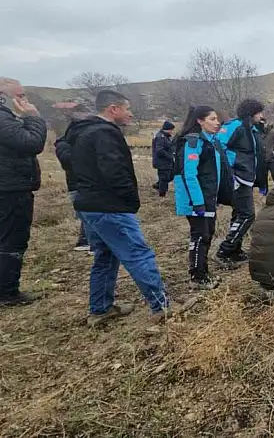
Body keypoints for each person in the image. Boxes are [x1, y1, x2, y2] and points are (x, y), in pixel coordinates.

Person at [66, 90, 194, 327]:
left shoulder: (81, 131)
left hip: (89, 204)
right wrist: (129, 201)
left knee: (105, 256)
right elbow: (115, 173)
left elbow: (66, 159)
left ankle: (100, 309)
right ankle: (162, 306)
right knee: (138, 254)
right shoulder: (104, 134)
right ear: (113, 109)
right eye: (127, 108)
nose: (130, 113)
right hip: (109, 206)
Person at [173, 106, 234, 290]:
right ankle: (197, 276)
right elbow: (189, 175)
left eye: (217, 119)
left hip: (208, 198)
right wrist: (198, 202)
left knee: (207, 234)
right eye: (212, 119)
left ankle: (203, 272)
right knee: (200, 235)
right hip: (196, 200)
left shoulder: (211, 141)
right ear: (200, 121)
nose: (217, 123)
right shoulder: (193, 142)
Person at [0, 78, 47, 307]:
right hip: (9, 190)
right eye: (19, 96)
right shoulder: (2, 119)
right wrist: (33, 117)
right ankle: (7, 293)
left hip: (9, 186)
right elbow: (32, 143)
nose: (24, 100)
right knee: (12, 240)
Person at [214, 99, 268, 269]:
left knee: (239, 214)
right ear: (251, 112)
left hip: (247, 178)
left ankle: (235, 250)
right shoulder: (233, 126)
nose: (262, 116)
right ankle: (224, 250)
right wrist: (231, 171)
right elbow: (218, 146)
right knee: (247, 215)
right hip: (237, 178)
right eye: (259, 112)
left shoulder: (252, 129)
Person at [55, 124, 91, 253]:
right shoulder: (63, 144)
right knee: (86, 214)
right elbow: (67, 160)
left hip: (88, 183)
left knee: (88, 214)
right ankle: (87, 242)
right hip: (76, 184)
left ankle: (86, 240)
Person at [151, 120, 176, 197]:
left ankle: (158, 185)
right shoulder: (161, 137)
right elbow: (159, 150)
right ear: (167, 129)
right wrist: (169, 156)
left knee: (171, 175)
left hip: (167, 162)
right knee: (164, 178)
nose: (172, 131)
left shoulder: (166, 136)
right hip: (162, 162)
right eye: (171, 130)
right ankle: (162, 194)